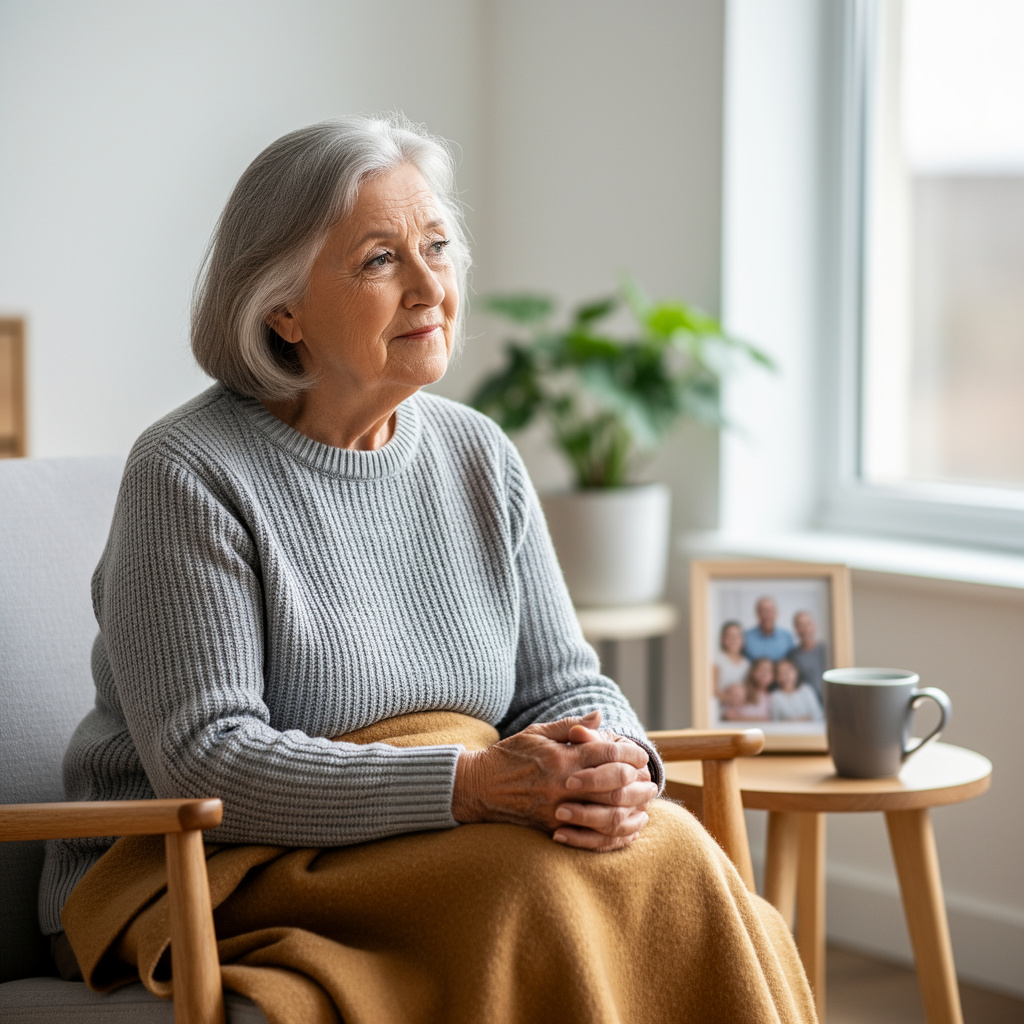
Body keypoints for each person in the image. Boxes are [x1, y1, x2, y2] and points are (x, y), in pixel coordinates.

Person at [39, 115, 815, 1024]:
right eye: (379, 260)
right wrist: (472, 785)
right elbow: (212, 763)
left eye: (437, 248)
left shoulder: (479, 452)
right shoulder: (188, 472)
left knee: (673, 850)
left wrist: (616, 764)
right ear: (280, 308)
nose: (428, 287)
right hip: (199, 865)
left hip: (428, 829)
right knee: (530, 884)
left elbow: (562, 683)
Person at [790, 609, 828, 705]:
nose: (805, 629)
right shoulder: (792, 655)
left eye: (808, 623)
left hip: (830, 701)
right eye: (800, 625)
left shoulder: (826, 650)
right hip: (807, 705)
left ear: (815, 626)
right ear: (796, 629)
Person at [768, 658, 824, 723]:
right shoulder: (775, 696)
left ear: (796, 672)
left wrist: (789, 720)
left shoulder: (806, 689)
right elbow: (774, 721)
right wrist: (803, 718)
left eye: (788, 671)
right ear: (776, 677)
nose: (785, 675)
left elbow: (818, 715)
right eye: (781, 673)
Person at [712, 619, 750, 713]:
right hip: (720, 710)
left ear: (742, 640)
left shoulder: (746, 663)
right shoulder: (717, 660)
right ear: (723, 639)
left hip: (740, 711)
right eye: (729, 636)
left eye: (737, 636)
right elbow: (712, 689)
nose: (734, 639)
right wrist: (730, 699)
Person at [744, 596, 796, 661]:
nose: (767, 615)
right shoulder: (746, 637)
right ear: (757, 614)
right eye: (763, 611)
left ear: (776, 613)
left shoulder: (787, 636)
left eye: (770, 611)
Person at [722, 657, 773, 722]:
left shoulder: (772, 697)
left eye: (768, 670)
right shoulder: (741, 690)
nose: (764, 674)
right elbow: (728, 716)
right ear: (753, 672)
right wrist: (761, 720)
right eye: (761, 669)